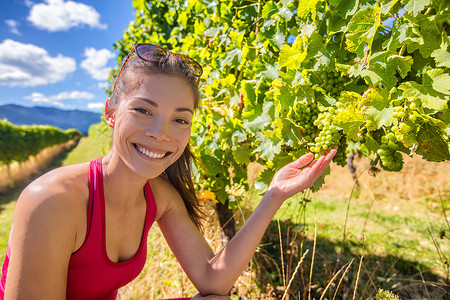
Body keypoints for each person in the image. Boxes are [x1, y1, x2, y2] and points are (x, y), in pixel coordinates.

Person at [0, 44, 336, 299]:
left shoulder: (159, 195)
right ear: (111, 113)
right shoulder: (52, 202)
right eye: (144, 110)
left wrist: (273, 196)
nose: (161, 133)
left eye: (180, 119)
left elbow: (212, 280)